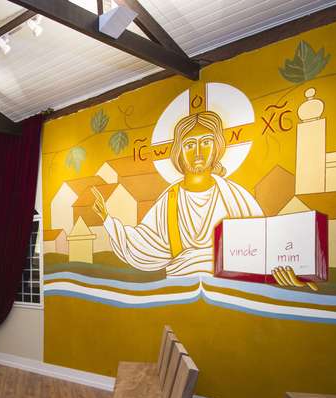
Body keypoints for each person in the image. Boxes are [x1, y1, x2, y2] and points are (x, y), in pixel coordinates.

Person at [91, 110, 313, 289]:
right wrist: (108, 219)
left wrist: (287, 274)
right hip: (179, 290)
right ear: (179, 152)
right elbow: (144, 243)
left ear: (217, 147)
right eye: (189, 145)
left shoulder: (236, 198)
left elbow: (263, 249)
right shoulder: (169, 200)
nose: (198, 152)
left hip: (230, 293)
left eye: (206, 142)